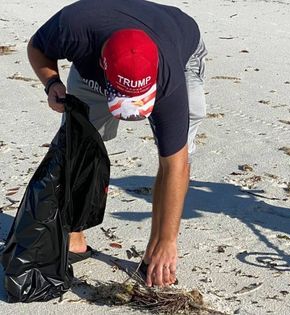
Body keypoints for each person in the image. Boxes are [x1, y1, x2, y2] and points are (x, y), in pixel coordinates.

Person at [27, 0, 207, 288]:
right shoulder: (74, 29)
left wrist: (168, 242)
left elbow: (175, 165)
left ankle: (155, 251)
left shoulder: (170, 80)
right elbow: (36, 47)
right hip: (96, 59)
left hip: (180, 45)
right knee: (77, 143)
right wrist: (52, 83)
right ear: (102, 65)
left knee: (177, 149)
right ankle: (74, 236)